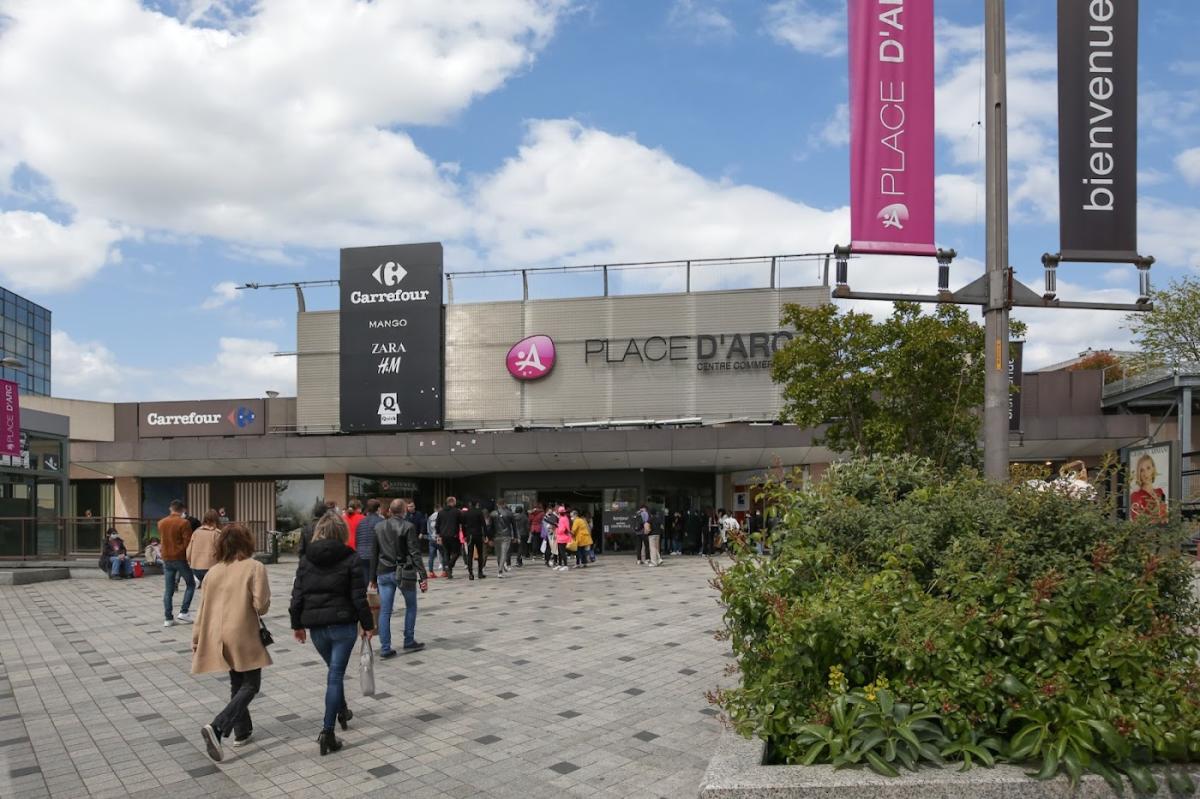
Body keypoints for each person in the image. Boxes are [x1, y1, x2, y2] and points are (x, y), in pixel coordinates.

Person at [290, 512, 375, 756]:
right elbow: (358, 596)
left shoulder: (306, 559)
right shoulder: (351, 558)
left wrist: (297, 624)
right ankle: (327, 731)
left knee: (333, 673)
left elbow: (297, 595)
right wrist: (368, 625)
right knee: (335, 676)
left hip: (317, 627)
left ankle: (342, 710)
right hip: (343, 625)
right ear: (341, 532)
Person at [191, 524, 271, 763]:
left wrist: (196, 637)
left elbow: (202, 608)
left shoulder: (213, 572)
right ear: (247, 543)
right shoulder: (254, 567)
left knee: (237, 680)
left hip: (216, 633)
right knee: (251, 684)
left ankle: (242, 731)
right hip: (242, 631)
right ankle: (217, 727)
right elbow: (261, 605)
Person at [370, 500, 428, 657]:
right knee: (411, 606)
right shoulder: (408, 527)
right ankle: (408, 640)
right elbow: (415, 552)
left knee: (385, 611)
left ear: (389, 510)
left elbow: (374, 553)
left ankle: (385, 648)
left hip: (383, 572)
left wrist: (372, 578)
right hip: (403, 572)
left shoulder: (378, 527)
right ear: (404, 511)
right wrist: (423, 576)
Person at [159, 500, 196, 627]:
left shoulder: (162, 522)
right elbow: (188, 542)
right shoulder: (184, 522)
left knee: (168, 590)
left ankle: (168, 618)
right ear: (183, 509)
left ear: (171, 508)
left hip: (166, 558)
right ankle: (184, 611)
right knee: (190, 584)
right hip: (180, 558)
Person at [187, 510, 222, 588]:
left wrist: (190, 561)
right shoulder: (217, 533)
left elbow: (189, 550)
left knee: (205, 589)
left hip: (196, 568)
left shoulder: (196, 532)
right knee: (214, 591)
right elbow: (221, 551)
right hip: (211, 567)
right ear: (216, 519)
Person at [355, 499, 384, 587]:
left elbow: (357, 540)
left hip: (362, 554)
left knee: (364, 582)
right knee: (379, 583)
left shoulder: (361, 522)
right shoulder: (381, 522)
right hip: (376, 556)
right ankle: (378, 599)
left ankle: (365, 599)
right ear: (378, 509)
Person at [1130, 454, 1168, 521]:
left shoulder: (1160, 492)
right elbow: (1136, 522)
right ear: (1139, 473)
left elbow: (1165, 517)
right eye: (1142, 470)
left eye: (1148, 468)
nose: (1145, 474)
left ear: (1153, 469)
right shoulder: (1135, 496)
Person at [436, 496, 463, 579]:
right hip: (453, 535)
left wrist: (439, 535)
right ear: (453, 502)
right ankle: (449, 565)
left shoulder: (440, 512)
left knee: (446, 553)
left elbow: (437, 525)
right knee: (457, 552)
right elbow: (461, 522)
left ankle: (448, 570)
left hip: (444, 536)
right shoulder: (457, 512)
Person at [461, 500, 488, 580]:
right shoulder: (479, 512)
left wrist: (464, 535)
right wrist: (485, 535)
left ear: (470, 504)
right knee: (480, 554)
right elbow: (483, 524)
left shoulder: (466, 513)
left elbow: (463, 525)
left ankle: (471, 574)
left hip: (469, 535)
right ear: (477, 504)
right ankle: (480, 573)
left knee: (470, 554)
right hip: (478, 535)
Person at [492, 499, 515, 577]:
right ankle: (500, 571)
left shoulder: (493, 514)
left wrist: (489, 537)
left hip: (496, 536)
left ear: (497, 504)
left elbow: (490, 527)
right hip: (506, 535)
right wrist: (515, 536)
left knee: (498, 554)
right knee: (504, 553)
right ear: (504, 504)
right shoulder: (509, 513)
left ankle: (501, 567)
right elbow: (514, 526)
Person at [424, 502, 442, 578]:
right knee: (443, 554)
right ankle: (445, 571)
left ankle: (431, 572)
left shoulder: (430, 517)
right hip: (439, 538)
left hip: (431, 538)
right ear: (439, 508)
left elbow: (428, 529)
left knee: (431, 556)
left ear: (434, 509)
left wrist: (430, 536)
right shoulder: (441, 515)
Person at [554, 506, 572, 571]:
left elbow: (562, 529)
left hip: (563, 538)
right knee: (560, 552)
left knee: (562, 552)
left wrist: (557, 526)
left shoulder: (563, 518)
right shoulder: (563, 518)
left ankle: (565, 565)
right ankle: (560, 564)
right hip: (560, 538)